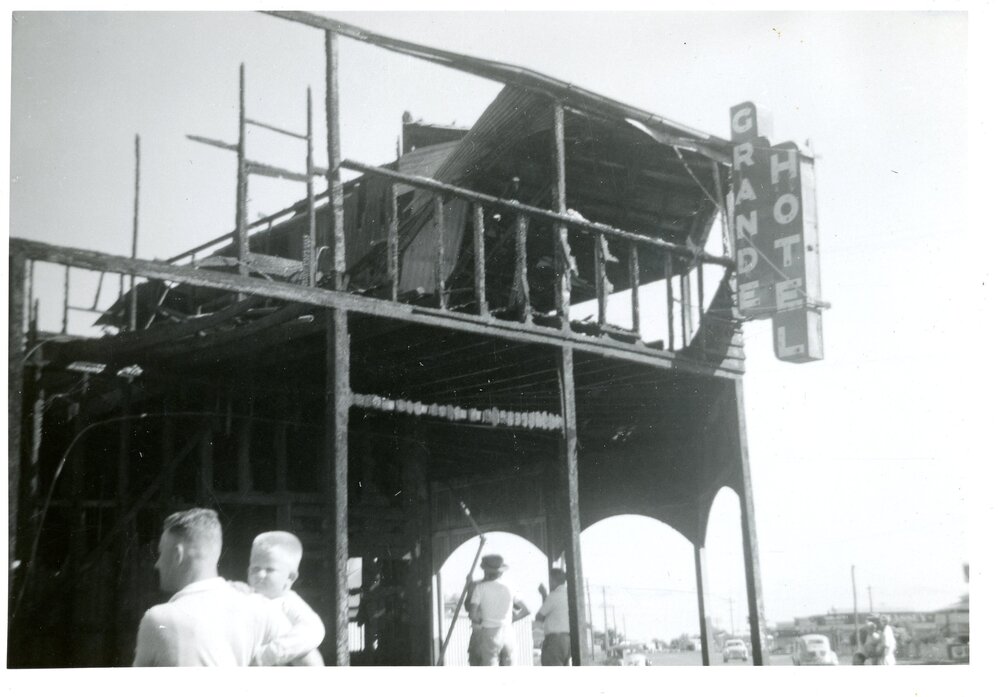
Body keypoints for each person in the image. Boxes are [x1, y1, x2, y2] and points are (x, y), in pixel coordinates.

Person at [133, 508, 290, 666]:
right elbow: (310, 661)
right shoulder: (260, 607)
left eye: (161, 553)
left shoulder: (158, 619)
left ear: (177, 555)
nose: (157, 564)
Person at [245, 531, 326, 666]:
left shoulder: (289, 601)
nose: (260, 574)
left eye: (269, 569)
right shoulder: (245, 595)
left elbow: (314, 630)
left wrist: (266, 655)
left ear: (290, 578)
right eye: (255, 568)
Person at [465, 554, 530, 666]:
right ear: (500, 571)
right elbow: (524, 610)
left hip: (485, 632)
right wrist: (510, 620)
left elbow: (470, 611)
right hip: (506, 632)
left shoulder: (477, 587)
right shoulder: (510, 586)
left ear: (485, 570)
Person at [536, 568, 571, 666]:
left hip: (555, 640)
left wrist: (544, 595)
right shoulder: (569, 595)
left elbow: (540, 616)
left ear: (553, 580)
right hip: (568, 639)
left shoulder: (553, 596)